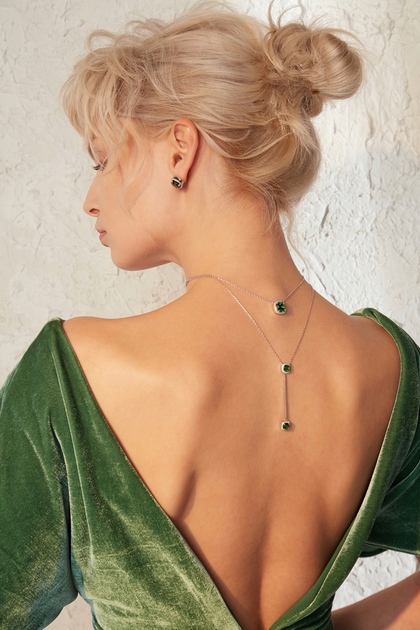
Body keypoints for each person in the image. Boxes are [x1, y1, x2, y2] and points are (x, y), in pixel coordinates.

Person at [1, 2, 419, 629]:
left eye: (103, 160)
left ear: (180, 150)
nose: (91, 198)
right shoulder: (384, 364)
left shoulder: (76, 372)